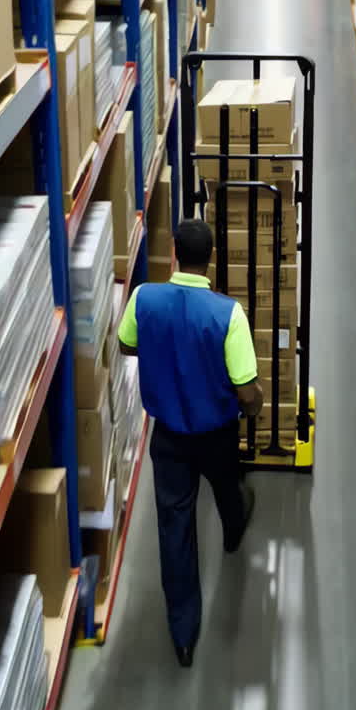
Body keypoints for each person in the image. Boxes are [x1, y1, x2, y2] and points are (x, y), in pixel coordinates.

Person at [118, 218, 262, 668]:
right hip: (216, 434)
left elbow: (126, 345)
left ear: (174, 253)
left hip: (169, 438)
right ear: (212, 257)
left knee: (175, 528)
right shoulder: (228, 314)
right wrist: (253, 408)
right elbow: (247, 391)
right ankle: (234, 528)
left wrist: (164, 350)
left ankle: (183, 635)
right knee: (227, 486)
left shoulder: (144, 298)